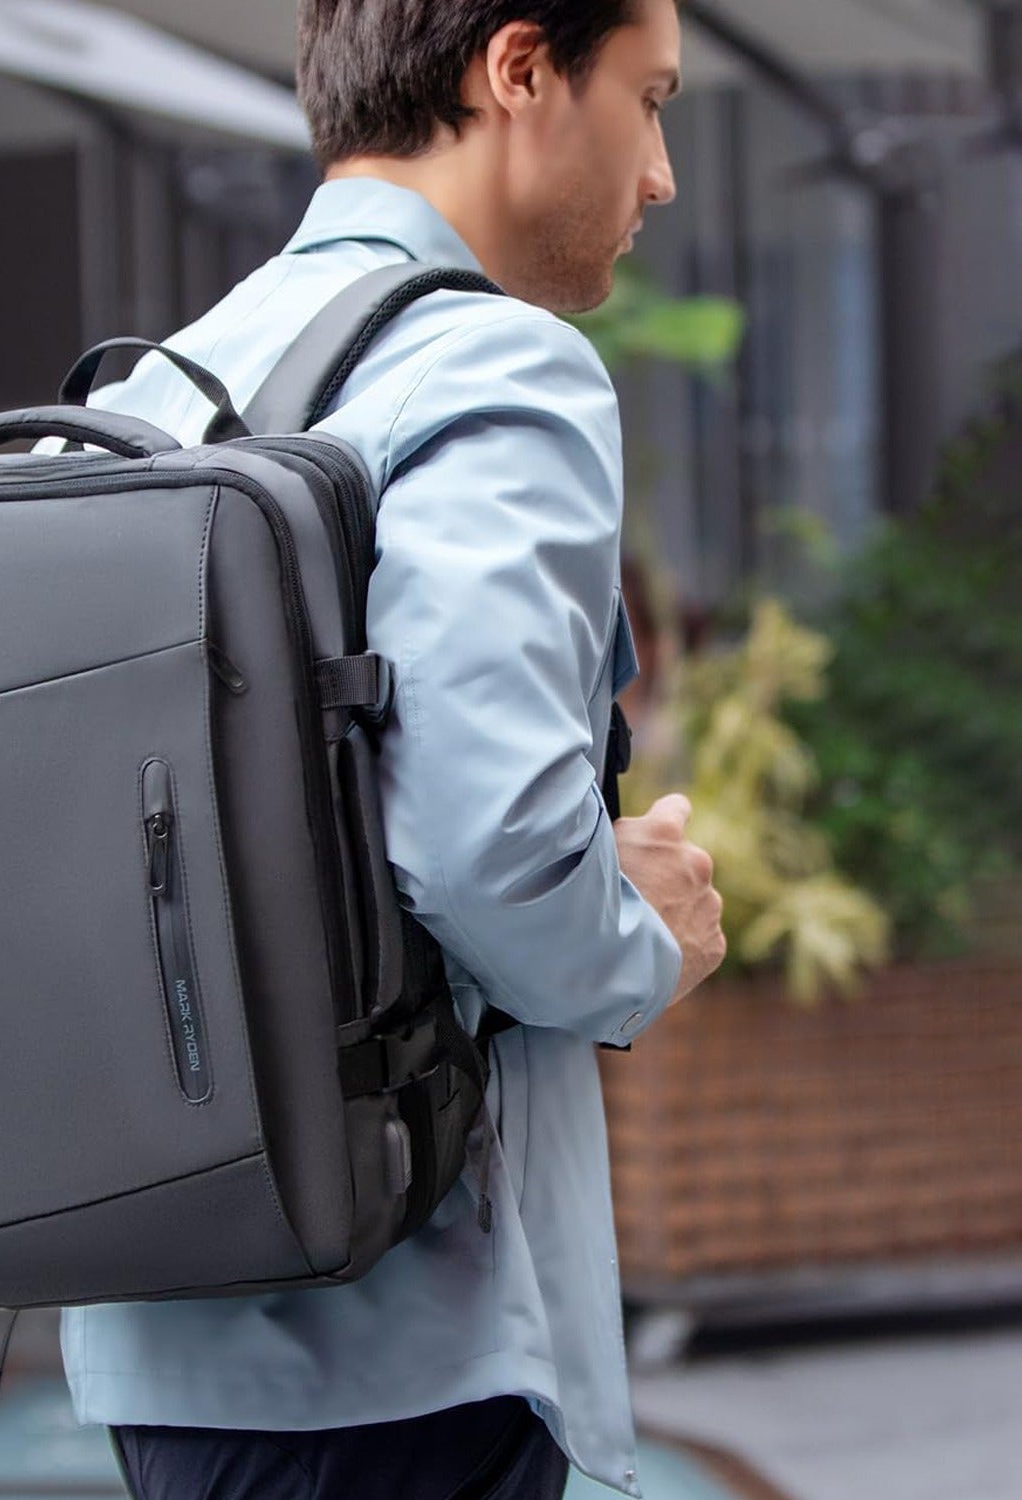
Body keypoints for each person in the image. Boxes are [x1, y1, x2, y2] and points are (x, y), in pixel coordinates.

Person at [64, 3, 726, 1497]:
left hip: (158, 1314)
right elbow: (489, 848)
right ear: (520, 72)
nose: (665, 170)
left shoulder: (150, 386)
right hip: (404, 1332)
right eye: (652, 97)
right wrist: (646, 939)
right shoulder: (500, 372)